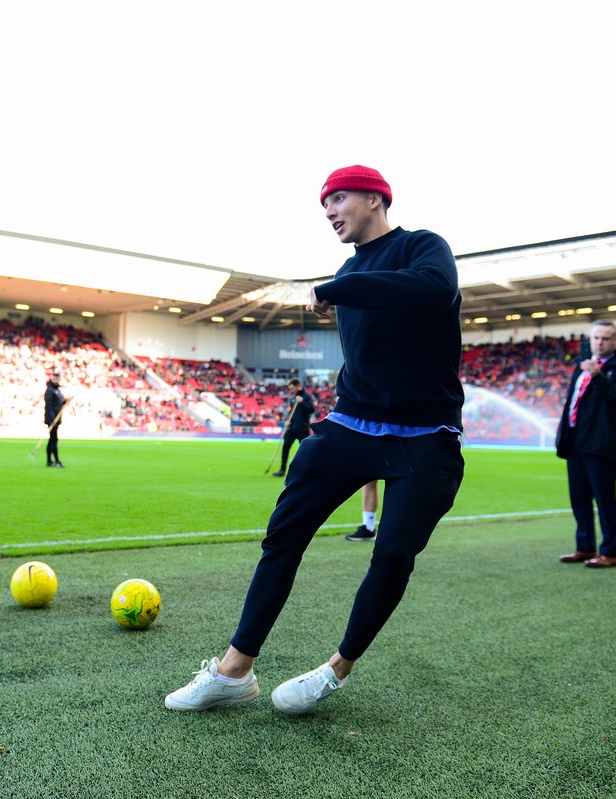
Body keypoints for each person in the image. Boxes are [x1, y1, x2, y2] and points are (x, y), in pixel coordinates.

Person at [164, 164, 464, 715]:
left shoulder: (423, 247)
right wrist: (341, 284)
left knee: (393, 555)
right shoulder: (347, 272)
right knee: (283, 536)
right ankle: (234, 670)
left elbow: (434, 290)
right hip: (351, 424)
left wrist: (337, 287)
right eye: (324, 204)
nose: (329, 211)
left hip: (428, 435)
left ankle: (336, 669)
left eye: (338, 198)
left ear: (375, 199)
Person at [555, 321, 616, 568]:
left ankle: (609, 553)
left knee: (605, 501)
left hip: (601, 446)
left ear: (615, 342)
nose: (599, 342)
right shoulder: (581, 368)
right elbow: (572, 404)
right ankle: (584, 547)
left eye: (605, 338)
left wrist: (598, 376)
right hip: (576, 443)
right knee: (579, 500)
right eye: (596, 338)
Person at [271, 378, 316, 477]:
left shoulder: (307, 397)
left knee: (304, 451)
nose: (291, 390)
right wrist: (288, 420)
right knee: (285, 447)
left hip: (302, 429)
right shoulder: (293, 398)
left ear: (297, 386)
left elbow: (311, 410)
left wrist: (302, 402)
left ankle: (306, 471)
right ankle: (282, 470)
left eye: (292, 388)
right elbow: (293, 412)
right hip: (292, 428)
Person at [44, 372, 66, 468]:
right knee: (53, 439)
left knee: (52, 439)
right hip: (52, 419)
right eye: (55, 378)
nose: (57, 380)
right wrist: (52, 419)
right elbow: (48, 405)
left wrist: (65, 401)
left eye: (58, 378)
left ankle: (49, 460)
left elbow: (59, 404)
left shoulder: (57, 390)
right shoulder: (50, 390)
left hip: (56, 418)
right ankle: (56, 460)